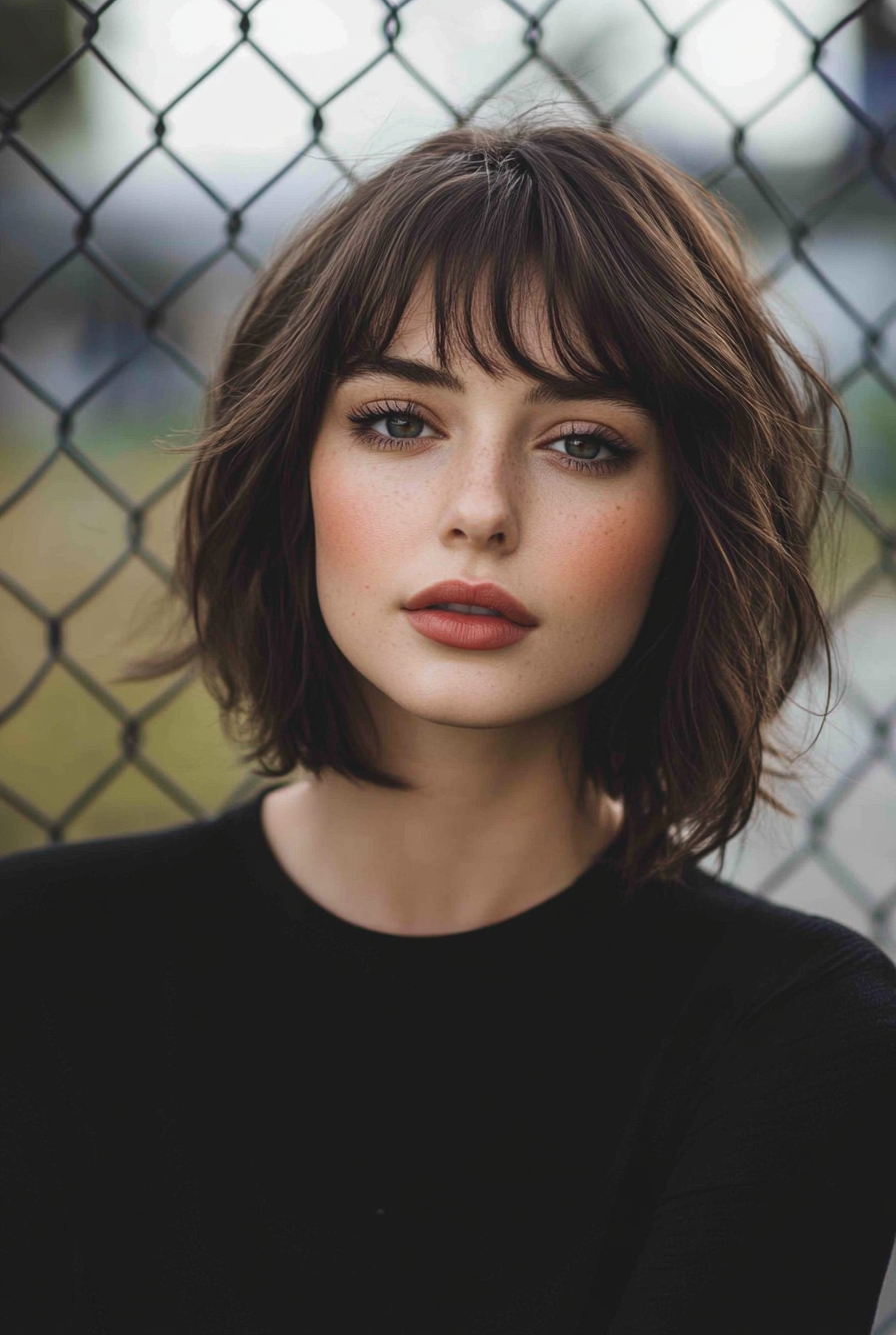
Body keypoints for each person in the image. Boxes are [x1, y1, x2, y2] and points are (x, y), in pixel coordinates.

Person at [1, 116, 895, 1335]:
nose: (479, 511)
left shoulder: (792, 1037)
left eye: (582, 443)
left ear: (687, 515)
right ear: (290, 471)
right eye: (397, 422)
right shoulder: (36, 964)